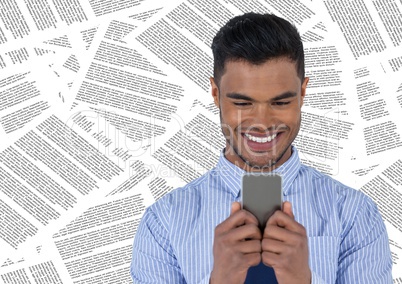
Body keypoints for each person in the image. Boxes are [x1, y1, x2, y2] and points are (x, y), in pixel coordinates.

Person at [130, 12, 392, 283]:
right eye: (242, 104)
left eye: (280, 103)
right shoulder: (163, 222)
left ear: (302, 93)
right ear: (216, 94)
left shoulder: (354, 214)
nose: (262, 124)